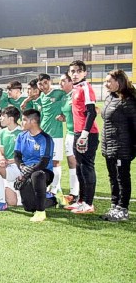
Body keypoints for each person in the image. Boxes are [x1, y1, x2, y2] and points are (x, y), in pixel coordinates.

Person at [99, 69, 136, 222]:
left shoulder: (128, 101)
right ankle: (115, 205)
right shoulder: (110, 98)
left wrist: (132, 147)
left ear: (119, 82)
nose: (106, 84)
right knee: (113, 177)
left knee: (122, 178)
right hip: (109, 146)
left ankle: (123, 209)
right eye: (105, 81)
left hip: (122, 147)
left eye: (109, 81)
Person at [65, 60, 99, 214]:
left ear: (85, 73)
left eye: (78, 71)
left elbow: (92, 112)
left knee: (86, 167)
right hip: (78, 133)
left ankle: (89, 204)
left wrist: (84, 134)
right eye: (72, 71)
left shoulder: (85, 88)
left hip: (88, 133)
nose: (75, 74)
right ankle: (81, 200)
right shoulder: (76, 88)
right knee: (79, 167)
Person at [13, 109, 55, 223]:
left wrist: (25, 174)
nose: (21, 122)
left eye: (24, 120)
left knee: (37, 175)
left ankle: (41, 212)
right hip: (26, 170)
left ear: (33, 122)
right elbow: (17, 156)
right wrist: (22, 167)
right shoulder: (21, 136)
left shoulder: (45, 138)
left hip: (43, 172)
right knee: (29, 207)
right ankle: (53, 199)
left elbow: (44, 162)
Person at [0, 106, 23, 211]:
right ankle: (2, 202)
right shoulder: (2, 132)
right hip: (8, 167)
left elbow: (25, 156)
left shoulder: (22, 133)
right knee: (12, 202)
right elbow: (0, 151)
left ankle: (3, 201)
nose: (0, 119)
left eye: (3, 116)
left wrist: (8, 161)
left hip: (20, 168)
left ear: (11, 119)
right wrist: (1, 159)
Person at [36, 73, 67, 195]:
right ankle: (53, 185)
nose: (43, 86)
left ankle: (55, 188)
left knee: (55, 161)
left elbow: (69, 101)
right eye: (40, 84)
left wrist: (64, 116)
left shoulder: (59, 93)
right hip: (43, 134)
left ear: (50, 81)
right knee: (44, 161)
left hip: (56, 134)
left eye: (45, 83)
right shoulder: (42, 97)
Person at [56, 72, 80, 202]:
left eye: (64, 80)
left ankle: (82, 194)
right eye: (60, 81)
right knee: (71, 162)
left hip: (80, 133)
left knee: (81, 164)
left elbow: (93, 110)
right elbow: (68, 114)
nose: (61, 83)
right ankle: (74, 193)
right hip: (70, 133)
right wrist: (63, 118)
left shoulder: (77, 93)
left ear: (71, 82)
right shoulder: (65, 97)